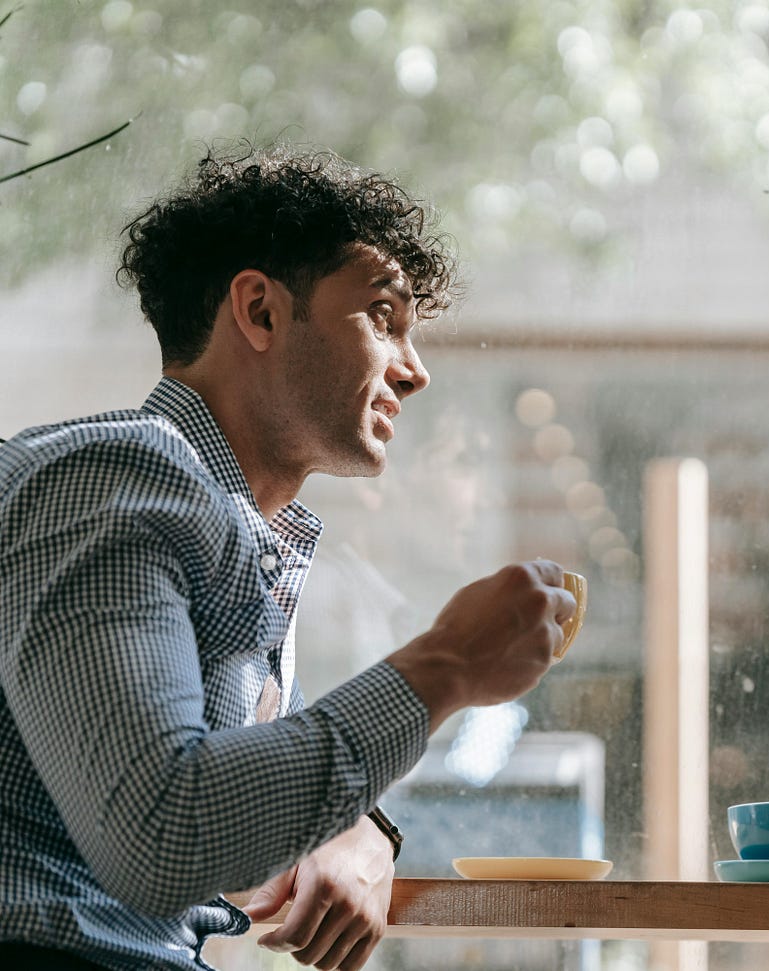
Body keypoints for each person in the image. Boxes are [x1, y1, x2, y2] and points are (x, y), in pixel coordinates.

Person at [0, 146, 579, 971]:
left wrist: (364, 830)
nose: (415, 372)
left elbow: (261, 770)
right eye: (383, 316)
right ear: (262, 312)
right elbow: (161, 832)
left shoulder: (228, 531)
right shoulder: (119, 479)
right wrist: (447, 665)